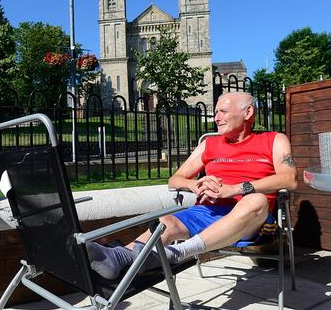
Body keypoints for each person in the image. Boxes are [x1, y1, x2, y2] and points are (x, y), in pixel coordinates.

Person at [87, 91, 297, 280]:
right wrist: (195, 185)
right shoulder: (210, 144)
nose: (216, 117)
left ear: (248, 112)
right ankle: (117, 258)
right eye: (215, 112)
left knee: (256, 199)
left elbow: (289, 179)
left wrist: (236, 189)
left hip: (253, 222)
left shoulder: (273, 140)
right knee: (167, 222)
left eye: (222, 111)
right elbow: (175, 179)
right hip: (207, 212)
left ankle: (179, 253)